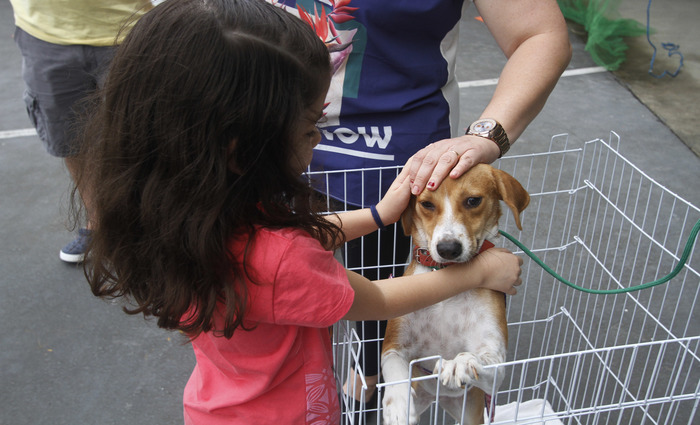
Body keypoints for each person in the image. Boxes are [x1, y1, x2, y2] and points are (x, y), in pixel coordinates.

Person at [70, 0, 523, 423]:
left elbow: (298, 239)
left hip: (218, 404)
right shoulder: (282, 259)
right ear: (243, 150)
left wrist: (380, 214)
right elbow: (379, 301)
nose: (320, 140)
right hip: (290, 413)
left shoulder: (197, 218)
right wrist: (478, 275)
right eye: (310, 127)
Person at [267, 0, 573, 408]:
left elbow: (540, 33)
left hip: (391, 165)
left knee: (350, 280)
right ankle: (359, 372)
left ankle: (363, 370)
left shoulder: (238, 234)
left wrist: (484, 136)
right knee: (337, 292)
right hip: (279, 152)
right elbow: (368, 299)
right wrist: (478, 271)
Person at [9, 0, 153, 263]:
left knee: (149, 136)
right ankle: (97, 223)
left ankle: (155, 225)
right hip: (43, 33)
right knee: (71, 141)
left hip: (132, 28)